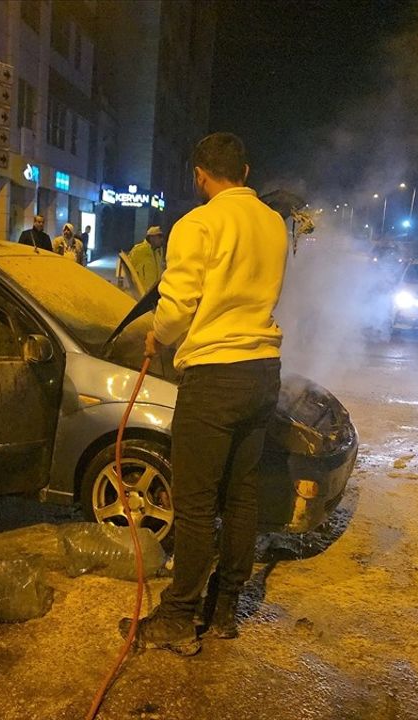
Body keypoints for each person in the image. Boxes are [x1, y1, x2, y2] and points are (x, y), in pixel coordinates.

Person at [126, 132, 286, 655]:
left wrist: (159, 335)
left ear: (200, 174)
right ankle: (224, 610)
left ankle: (177, 617)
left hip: (214, 373)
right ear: (246, 169)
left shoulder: (197, 223)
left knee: (195, 504)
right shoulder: (272, 222)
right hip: (262, 370)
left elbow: (177, 304)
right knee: (242, 496)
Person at [128, 225, 167, 292]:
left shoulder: (158, 251)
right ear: (152, 238)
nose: (162, 240)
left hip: (154, 291)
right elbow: (128, 267)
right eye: (159, 237)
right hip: (142, 291)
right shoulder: (139, 250)